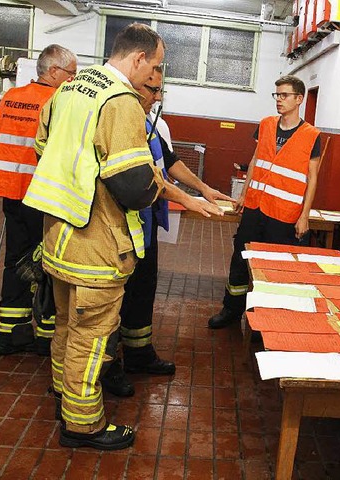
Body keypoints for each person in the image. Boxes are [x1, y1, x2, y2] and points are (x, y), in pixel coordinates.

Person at [23, 23, 221, 450]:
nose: (156, 75)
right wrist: (172, 193)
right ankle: (83, 424)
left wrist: (87, 180)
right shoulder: (120, 102)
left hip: (58, 234)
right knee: (91, 338)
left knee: (64, 325)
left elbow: (45, 146)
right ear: (137, 60)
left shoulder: (71, 89)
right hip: (95, 245)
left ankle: (64, 395)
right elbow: (132, 186)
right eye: (156, 65)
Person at [102, 66, 234, 396]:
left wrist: (203, 187)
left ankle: (139, 354)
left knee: (142, 292)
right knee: (114, 303)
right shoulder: (122, 121)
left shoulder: (147, 122)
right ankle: (108, 368)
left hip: (142, 228)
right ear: (134, 87)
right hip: (118, 231)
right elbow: (144, 178)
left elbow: (170, 161)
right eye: (153, 89)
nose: (158, 97)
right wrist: (187, 199)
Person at [208, 75, 321, 329]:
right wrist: (244, 194)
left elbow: (312, 179)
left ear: (299, 99)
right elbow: (256, 159)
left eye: (284, 95)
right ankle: (231, 310)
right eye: (276, 95)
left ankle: (266, 320)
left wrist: (304, 215)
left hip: (284, 214)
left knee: (274, 269)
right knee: (240, 259)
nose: (279, 100)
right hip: (255, 207)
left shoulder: (312, 135)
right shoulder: (266, 124)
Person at [0, 44, 77, 356]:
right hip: (42, 195)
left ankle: (10, 335)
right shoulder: (58, 100)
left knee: (15, 261)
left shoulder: (11, 96)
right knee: (47, 264)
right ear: (53, 71)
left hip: (11, 190)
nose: (72, 79)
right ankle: (46, 337)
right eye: (70, 73)